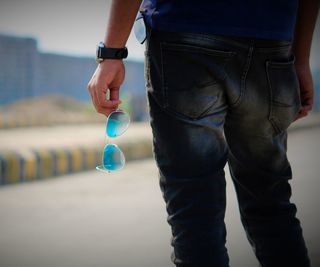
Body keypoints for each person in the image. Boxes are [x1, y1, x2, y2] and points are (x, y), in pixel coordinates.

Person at [87, 0, 319, 266]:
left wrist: (112, 53)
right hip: (271, 42)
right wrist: (301, 58)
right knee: (271, 205)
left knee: (194, 211)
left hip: (184, 35)